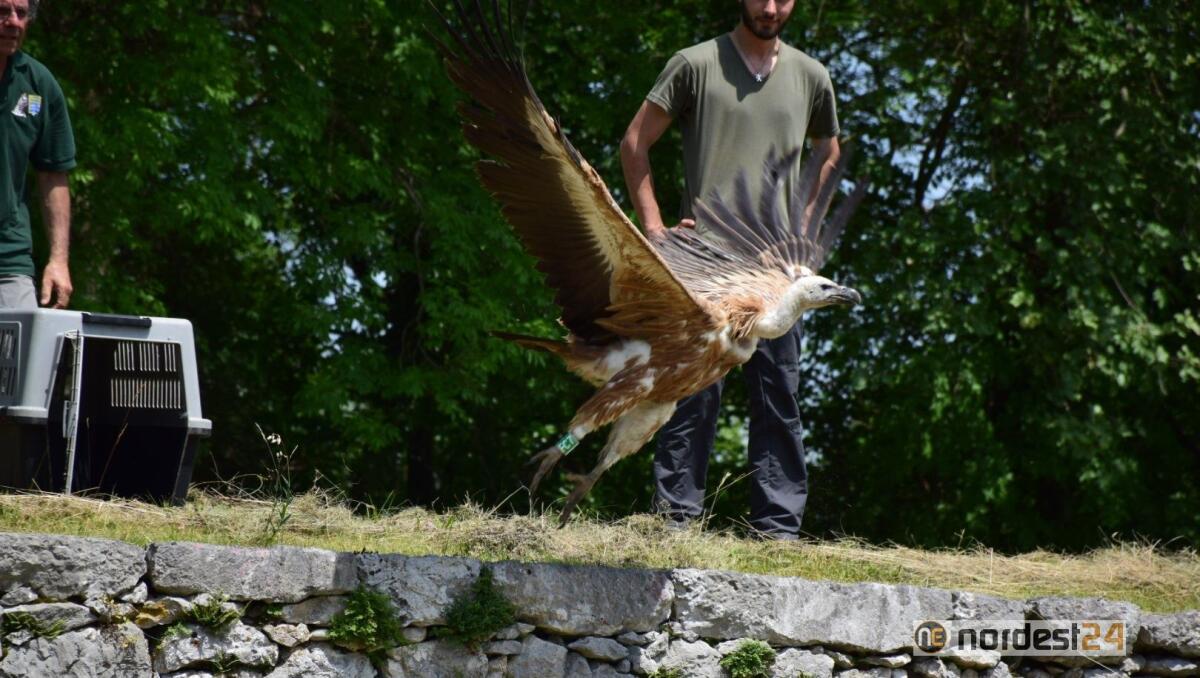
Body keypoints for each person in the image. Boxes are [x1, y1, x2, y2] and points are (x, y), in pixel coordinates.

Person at [620, 0, 842, 539]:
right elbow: (634, 144)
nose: (770, 8)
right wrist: (654, 231)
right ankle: (676, 523)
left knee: (778, 397)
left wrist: (806, 229)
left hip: (778, 274)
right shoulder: (694, 64)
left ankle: (778, 532)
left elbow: (829, 154)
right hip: (705, 269)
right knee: (693, 394)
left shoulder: (812, 77)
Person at [0, 0, 74, 310]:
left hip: (8, 260)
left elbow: (53, 173)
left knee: (20, 356)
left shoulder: (38, 86)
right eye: (3, 11)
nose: (14, 22)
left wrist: (58, 259)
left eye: (21, 13)